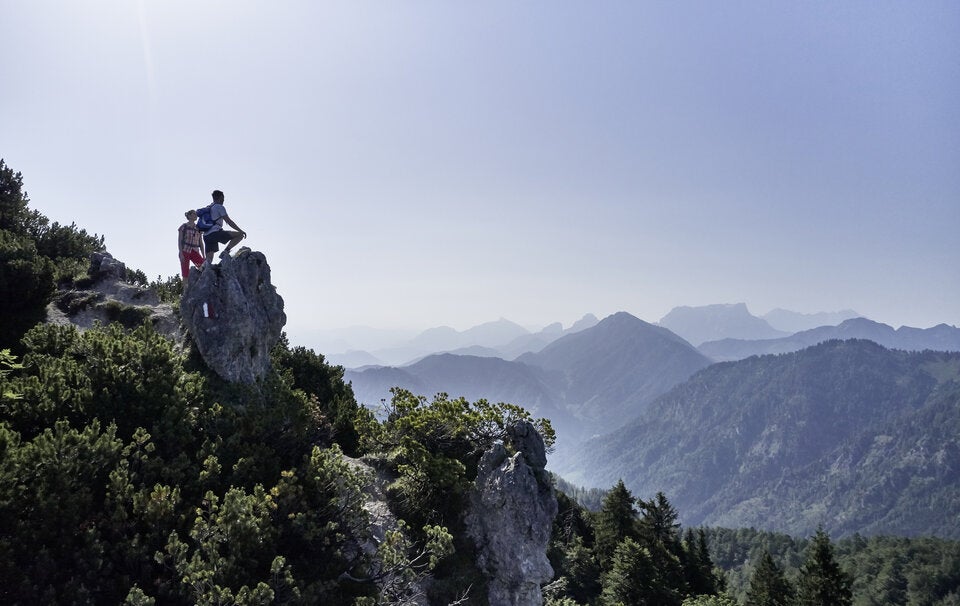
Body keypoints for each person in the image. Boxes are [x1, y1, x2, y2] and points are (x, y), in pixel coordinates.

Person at [203, 189, 246, 264]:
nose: (223, 200)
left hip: (206, 235)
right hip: (215, 233)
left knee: (209, 260)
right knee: (240, 235)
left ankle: (203, 271)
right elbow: (229, 221)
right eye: (223, 198)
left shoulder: (209, 207)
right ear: (220, 197)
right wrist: (241, 230)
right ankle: (225, 252)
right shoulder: (220, 207)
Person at [178, 209, 206, 279]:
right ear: (189, 216)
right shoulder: (183, 227)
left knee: (203, 267)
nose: (196, 215)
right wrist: (181, 253)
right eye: (194, 214)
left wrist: (203, 256)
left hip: (195, 251)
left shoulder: (198, 228)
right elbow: (179, 241)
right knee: (185, 273)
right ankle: (185, 289)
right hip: (185, 251)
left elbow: (201, 243)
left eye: (196, 214)